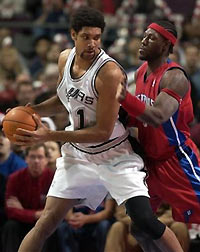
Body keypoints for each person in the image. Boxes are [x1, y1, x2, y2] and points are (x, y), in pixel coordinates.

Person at [15, 7, 182, 252]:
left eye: (97, 37)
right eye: (86, 37)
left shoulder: (110, 73)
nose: (92, 43)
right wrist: (33, 110)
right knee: (47, 221)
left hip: (113, 154)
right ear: (73, 34)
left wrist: (49, 135)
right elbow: (65, 98)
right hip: (78, 154)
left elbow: (102, 132)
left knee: (145, 222)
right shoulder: (65, 58)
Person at [116, 20, 200, 249]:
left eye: (151, 38)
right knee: (140, 226)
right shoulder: (142, 72)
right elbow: (139, 115)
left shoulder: (175, 77)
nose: (143, 41)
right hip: (152, 164)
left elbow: (157, 116)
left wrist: (124, 98)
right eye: (144, 36)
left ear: (165, 45)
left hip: (177, 160)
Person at [1, 143, 64, 252]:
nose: (36, 161)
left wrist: (23, 211)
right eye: (32, 157)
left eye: (40, 157)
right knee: (10, 226)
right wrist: (35, 214)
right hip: (22, 223)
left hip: (44, 222)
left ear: (46, 160)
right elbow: (10, 211)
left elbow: (53, 212)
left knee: (50, 226)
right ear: (26, 159)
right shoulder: (14, 178)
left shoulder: (55, 179)